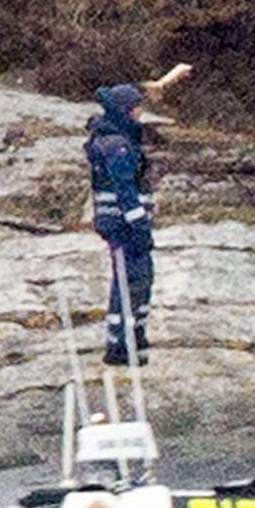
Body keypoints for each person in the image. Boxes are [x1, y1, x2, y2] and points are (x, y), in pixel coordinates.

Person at [87, 82, 154, 365]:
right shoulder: (119, 146)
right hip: (123, 224)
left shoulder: (112, 138)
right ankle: (120, 343)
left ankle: (134, 334)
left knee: (138, 277)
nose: (141, 113)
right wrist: (139, 224)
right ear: (126, 110)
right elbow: (125, 189)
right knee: (131, 279)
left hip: (116, 222)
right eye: (137, 107)